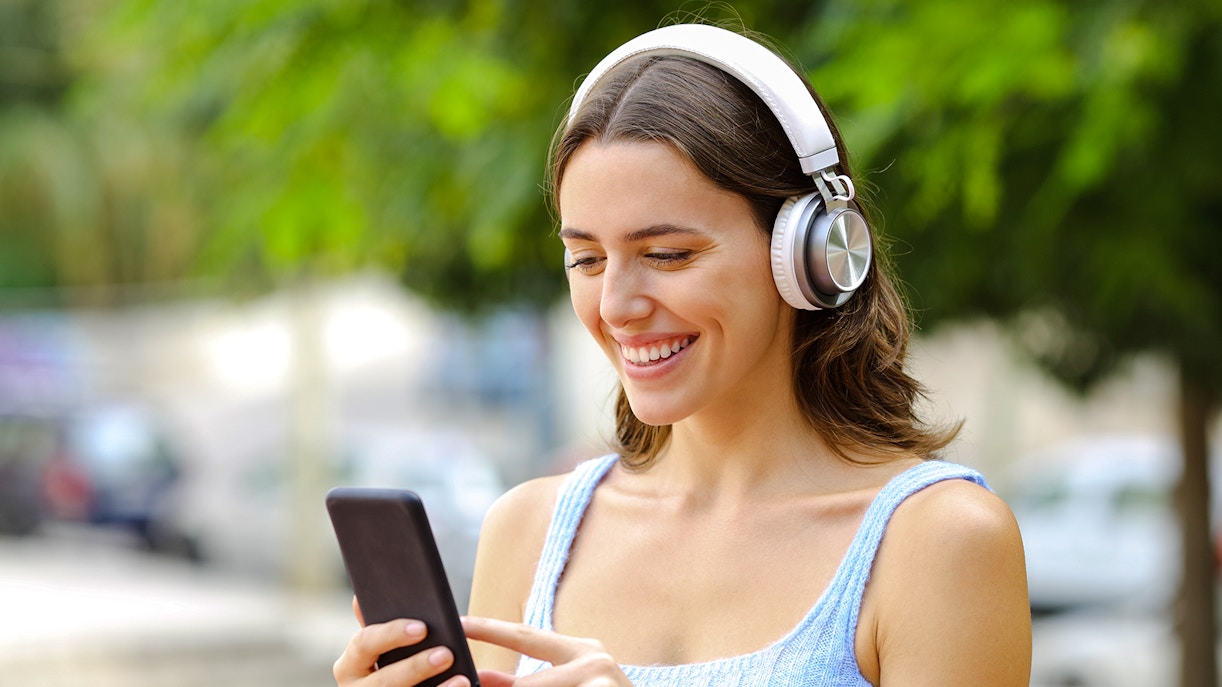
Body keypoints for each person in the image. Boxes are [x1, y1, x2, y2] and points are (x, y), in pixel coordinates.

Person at [333, 22, 1031, 687]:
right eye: (586, 259)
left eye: (666, 254)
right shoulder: (527, 532)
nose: (616, 306)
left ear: (810, 253)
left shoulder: (938, 541)